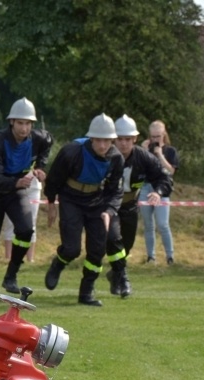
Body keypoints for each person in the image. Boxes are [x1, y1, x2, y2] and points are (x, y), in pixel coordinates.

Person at [44, 114, 124, 306]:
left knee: (97, 250)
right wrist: (51, 204)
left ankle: (86, 292)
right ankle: (58, 264)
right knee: (72, 248)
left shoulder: (116, 158)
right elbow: (54, 178)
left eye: (107, 141)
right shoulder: (72, 151)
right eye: (98, 140)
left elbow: (115, 190)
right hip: (70, 199)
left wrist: (109, 211)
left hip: (96, 202)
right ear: (91, 138)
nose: (102, 145)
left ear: (112, 140)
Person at [0, 97, 52, 295]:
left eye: (28, 123)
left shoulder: (39, 138)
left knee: (26, 230)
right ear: (11, 122)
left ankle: (11, 275)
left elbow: (48, 142)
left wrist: (40, 167)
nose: (24, 128)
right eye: (20, 123)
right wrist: (16, 182)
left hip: (16, 192)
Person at [105, 115, 172, 297]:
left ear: (135, 139)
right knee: (113, 238)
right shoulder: (105, 155)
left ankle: (115, 273)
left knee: (126, 245)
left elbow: (164, 177)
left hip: (130, 206)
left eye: (128, 139)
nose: (124, 143)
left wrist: (158, 192)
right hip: (108, 207)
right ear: (113, 138)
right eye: (120, 139)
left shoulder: (144, 157)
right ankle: (123, 278)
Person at [139, 120, 178, 264]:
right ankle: (151, 256)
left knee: (163, 224)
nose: (156, 140)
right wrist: (142, 151)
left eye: (158, 136)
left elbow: (171, 171)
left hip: (163, 189)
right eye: (153, 136)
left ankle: (170, 256)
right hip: (146, 187)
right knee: (148, 225)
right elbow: (138, 169)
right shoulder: (145, 150)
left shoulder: (170, 151)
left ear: (164, 135)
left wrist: (160, 155)